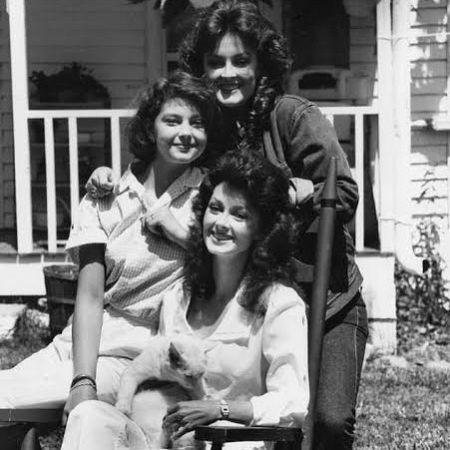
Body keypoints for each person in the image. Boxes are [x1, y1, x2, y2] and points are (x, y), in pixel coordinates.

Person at [86, 1, 369, 448]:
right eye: (215, 62)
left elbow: (346, 195)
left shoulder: (293, 117)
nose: (227, 72)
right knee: (245, 424)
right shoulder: (208, 130)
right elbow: (161, 166)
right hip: (247, 308)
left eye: (241, 60)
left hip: (324, 301)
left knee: (326, 422)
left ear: (261, 65)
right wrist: (108, 177)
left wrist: (305, 190)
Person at [0, 71, 221, 424]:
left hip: (141, 357)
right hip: (82, 347)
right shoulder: (106, 197)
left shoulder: (211, 198)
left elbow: (228, 264)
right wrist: (82, 381)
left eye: (197, 123)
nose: (186, 132)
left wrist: (179, 233)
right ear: (150, 128)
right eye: (173, 120)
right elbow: (89, 296)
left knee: (6, 402)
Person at [61, 149, 309, 450]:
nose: (221, 222)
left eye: (239, 214)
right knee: (90, 416)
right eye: (215, 208)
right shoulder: (179, 297)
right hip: (167, 439)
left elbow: (292, 402)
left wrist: (221, 409)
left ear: (261, 230)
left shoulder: (278, 304)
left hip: (233, 443)